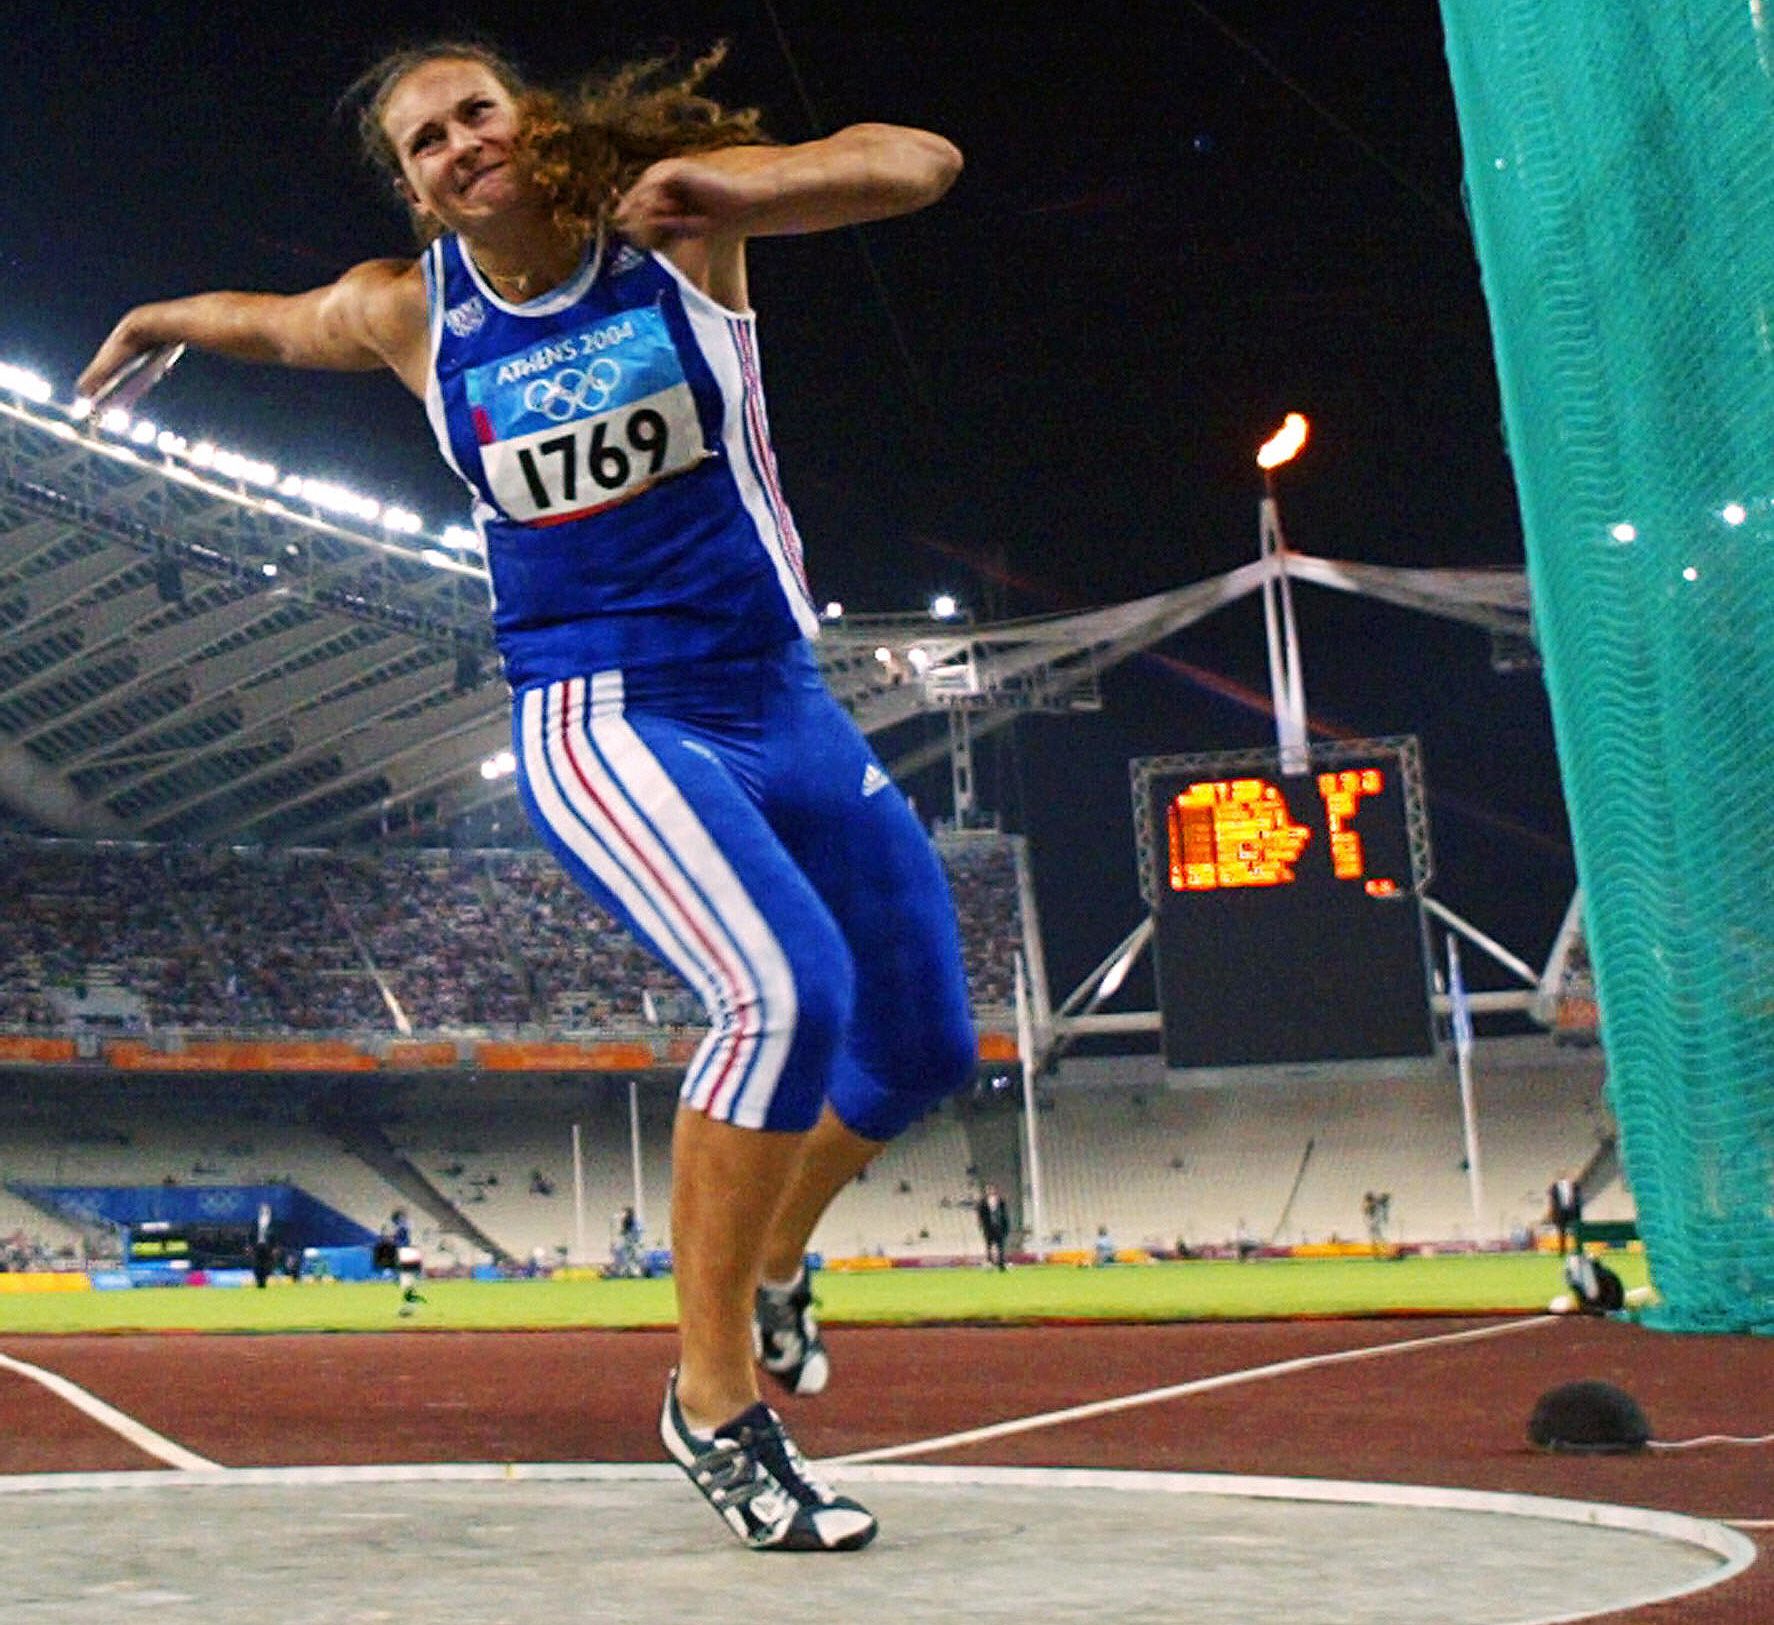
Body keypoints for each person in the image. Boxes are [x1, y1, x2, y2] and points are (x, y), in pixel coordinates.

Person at [80, 41, 972, 1554]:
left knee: (924, 1044)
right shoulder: (419, 310)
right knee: (782, 994)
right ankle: (714, 1402)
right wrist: (155, 316)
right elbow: (280, 323)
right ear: (414, 182)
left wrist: (731, 181)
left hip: (781, 696)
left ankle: (768, 1267)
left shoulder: (674, 237)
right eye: (424, 141)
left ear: (531, 120)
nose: (457, 147)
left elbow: (921, 160)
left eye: (474, 112)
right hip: (600, 709)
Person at [975, 1183, 1011, 1271]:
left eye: (991, 1189)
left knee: (1001, 1246)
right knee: (989, 1246)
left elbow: (1004, 1214)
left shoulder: (1001, 1201)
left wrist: (1006, 1226)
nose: (990, 1191)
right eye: (988, 1189)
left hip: (999, 1227)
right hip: (988, 1227)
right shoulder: (982, 1202)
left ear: (994, 1190)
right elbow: (980, 1214)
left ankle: (1001, 1265)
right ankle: (990, 1264)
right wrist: (981, 1225)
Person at [1547, 1171, 1583, 1256]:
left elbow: (1578, 1197)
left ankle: (1578, 1249)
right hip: (1560, 1212)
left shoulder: (1574, 1185)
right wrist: (1552, 1212)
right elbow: (1552, 1201)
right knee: (1561, 1231)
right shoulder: (1554, 1187)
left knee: (1576, 1231)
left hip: (1572, 1211)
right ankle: (1562, 1250)